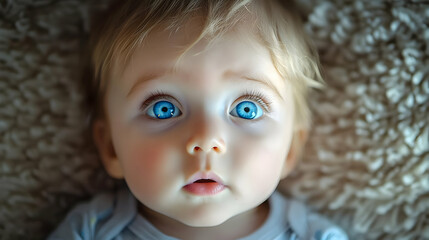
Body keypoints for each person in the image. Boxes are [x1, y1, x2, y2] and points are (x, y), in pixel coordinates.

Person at [49, 0, 348, 239]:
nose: (206, 139)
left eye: (247, 109)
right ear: (111, 146)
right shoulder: (89, 230)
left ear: (291, 149)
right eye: (162, 108)